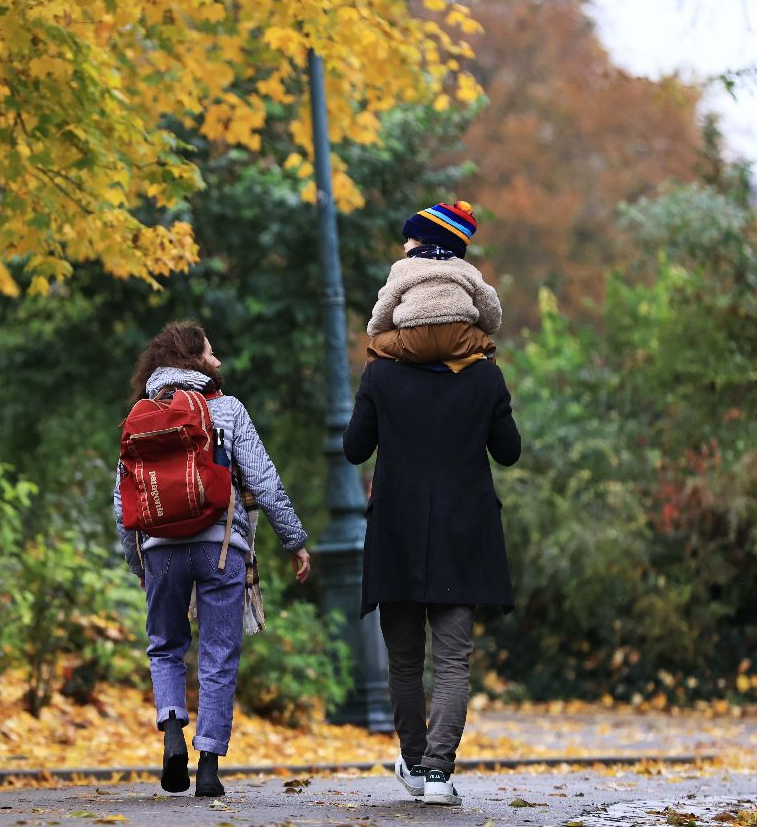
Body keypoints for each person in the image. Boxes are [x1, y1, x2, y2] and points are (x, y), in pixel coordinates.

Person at [114, 321, 312, 799]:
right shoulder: (227, 409)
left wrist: (137, 561)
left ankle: (171, 736)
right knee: (219, 654)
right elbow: (263, 479)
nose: (218, 361)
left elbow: (123, 504)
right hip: (221, 546)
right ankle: (207, 766)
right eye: (211, 353)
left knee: (164, 646)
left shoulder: (140, 413)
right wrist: (295, 541)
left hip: (159, 550)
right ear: (193, 359)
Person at [343, 335, 522, 806]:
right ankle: (440, 772)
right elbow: (508, 450)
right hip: (462, 534)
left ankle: (417, 764)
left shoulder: (381, 373)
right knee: (451, 660)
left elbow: (354, 448)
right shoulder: (483, 374)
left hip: (396, 533)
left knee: (403, 660)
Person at [366, 200, 502, 373]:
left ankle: (378, 387)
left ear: (422, 240)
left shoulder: (402, 268)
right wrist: (487, 328)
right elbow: (490, 307)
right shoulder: (468, 270)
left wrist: (377, 330)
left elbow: (386, 303)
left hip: (413, 339)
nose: (404, 245)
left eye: (409, 239)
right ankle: (481, 382)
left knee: (376, 346)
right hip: (458, 337)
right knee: (488, 348)